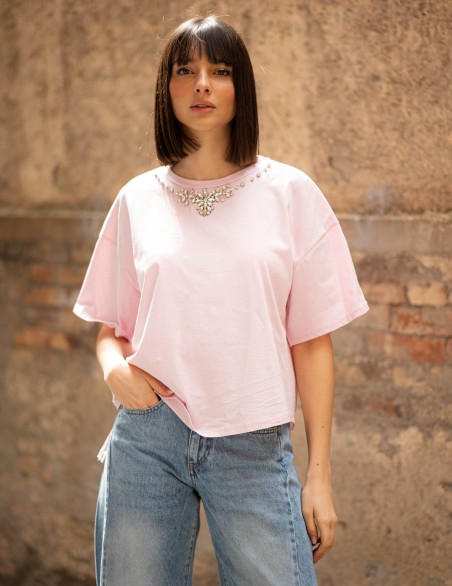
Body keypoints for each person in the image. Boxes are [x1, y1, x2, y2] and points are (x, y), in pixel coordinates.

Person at [74, 14, 368, 586]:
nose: (202, 84)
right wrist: (114, 371)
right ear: (167, 88)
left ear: (242, 86)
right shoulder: (136, 200)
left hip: (253, 444)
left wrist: (319, 476)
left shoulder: (290, 194)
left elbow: (311, 342)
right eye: (186, 71)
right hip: (149, 435)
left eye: (221, 71)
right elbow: (111, 328)